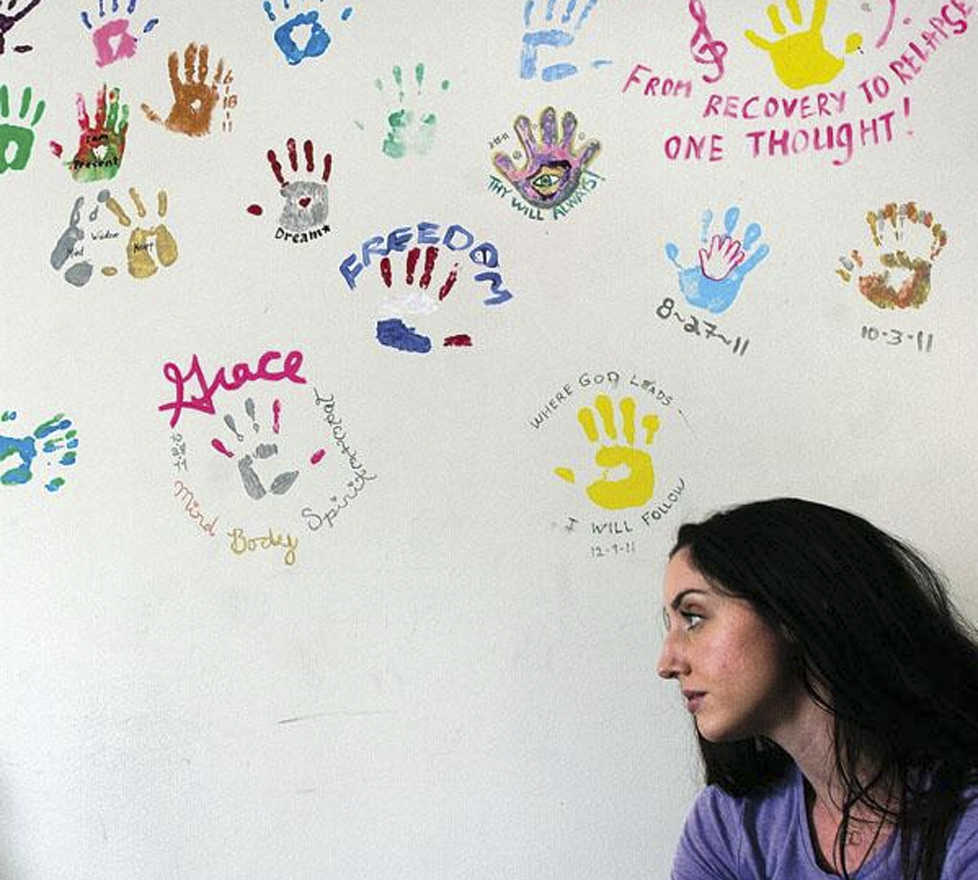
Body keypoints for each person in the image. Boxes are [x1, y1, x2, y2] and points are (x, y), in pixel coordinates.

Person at [657, 498, 978, 880]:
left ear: (792, 610)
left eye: (693, 617)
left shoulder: (966, 822)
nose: (667, 664)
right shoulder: (728, 823)